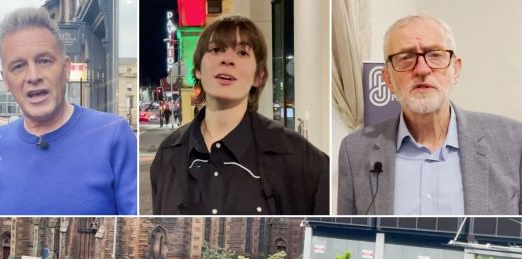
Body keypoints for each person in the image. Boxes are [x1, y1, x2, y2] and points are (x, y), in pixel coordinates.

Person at [0, 7, 137, 215]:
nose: (33, 76)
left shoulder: (114, 135)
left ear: (65, 68)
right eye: (19, 66)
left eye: (44, 61)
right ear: (5, 80)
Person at [337, 14, 522, 215]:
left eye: (435, 55)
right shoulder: (355, 151)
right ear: (388, 78)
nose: (422, 69)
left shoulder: (512, 142)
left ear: (456, 69)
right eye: (406, 58)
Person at [150, 15, 328, 215]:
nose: (227, 60)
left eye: (242, 52)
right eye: (216, 50)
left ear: (259, 76)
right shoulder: (169, 153)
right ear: (199, 69)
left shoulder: (298, 158)